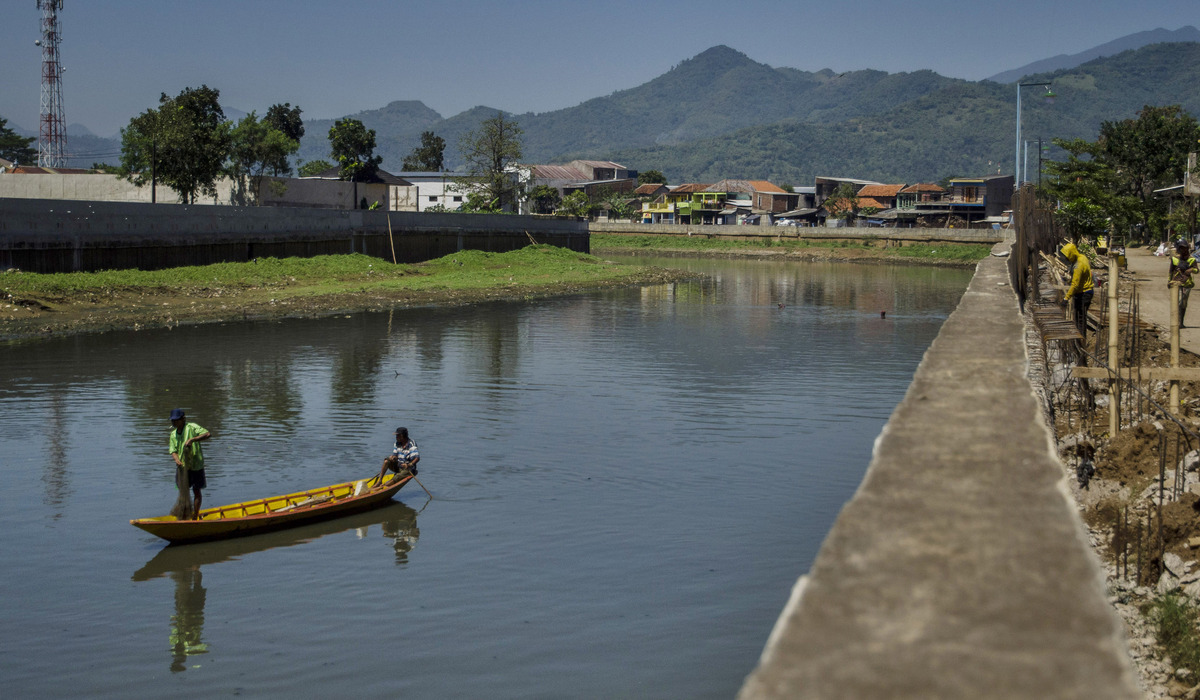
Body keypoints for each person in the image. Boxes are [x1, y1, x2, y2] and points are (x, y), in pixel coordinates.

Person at [169, 408, 211, 518]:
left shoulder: (191, 427)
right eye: (172, 421)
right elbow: (173, 451)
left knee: (197, 490)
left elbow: (207, 434)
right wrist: (176, 459)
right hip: (183, 468)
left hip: (196, 465)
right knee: (184, 492)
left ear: (183, 419)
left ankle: (195, 515)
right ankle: (185, 514)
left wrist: (193, 439)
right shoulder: (173, 434)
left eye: (176, 420)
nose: (174, 423)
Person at [1060, 242, 1094, 339]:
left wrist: (1066, 298)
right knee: (1080, 317)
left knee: (1080, 319)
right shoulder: (1082, 257)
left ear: (1071, 254)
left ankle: (1081, 339)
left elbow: (1075, 285)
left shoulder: (1078, 266)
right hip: (1086, 291)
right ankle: (1080, 338)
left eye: (1067, 256)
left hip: (1084, 293)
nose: (1066, 258)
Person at [1170, 241, 1199, 328]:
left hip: (1187, 284)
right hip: (1176, 283)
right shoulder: (1174, 259)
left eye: (1185, 248)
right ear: (1179, 249)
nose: (1184, 250)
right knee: (1177, 302)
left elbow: (1197, 270)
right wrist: (1169, 281)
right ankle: (1176, 322)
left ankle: (1181, 322)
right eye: (1182, 248)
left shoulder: (1192, 259)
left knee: (1183, 303)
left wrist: (1191, 270)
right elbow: (1171, 271)